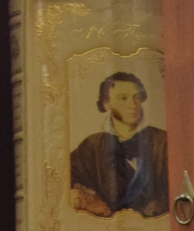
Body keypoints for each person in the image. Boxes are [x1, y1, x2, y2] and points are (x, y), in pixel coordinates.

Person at [69, 72, 169, 219]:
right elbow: (66, 180)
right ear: (107, 104)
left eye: (137, 97)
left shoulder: (163, 141)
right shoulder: (91, 146)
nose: (133, 105)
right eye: (123, 98)